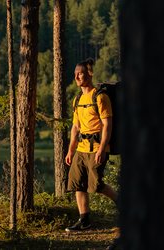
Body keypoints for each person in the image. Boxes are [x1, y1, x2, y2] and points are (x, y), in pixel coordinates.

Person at [65, 58, 118, 232]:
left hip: (97, 148)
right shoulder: (77, 99)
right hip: (81, 149)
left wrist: (102, 149)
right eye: (75, 74)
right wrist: (70, 151)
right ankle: (84, 221)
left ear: (89, 74)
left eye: (80, 73)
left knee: (95, 185)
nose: (77, 77)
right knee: (77, 184)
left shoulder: (100, 97)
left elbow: (107, 125)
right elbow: (75, 127)